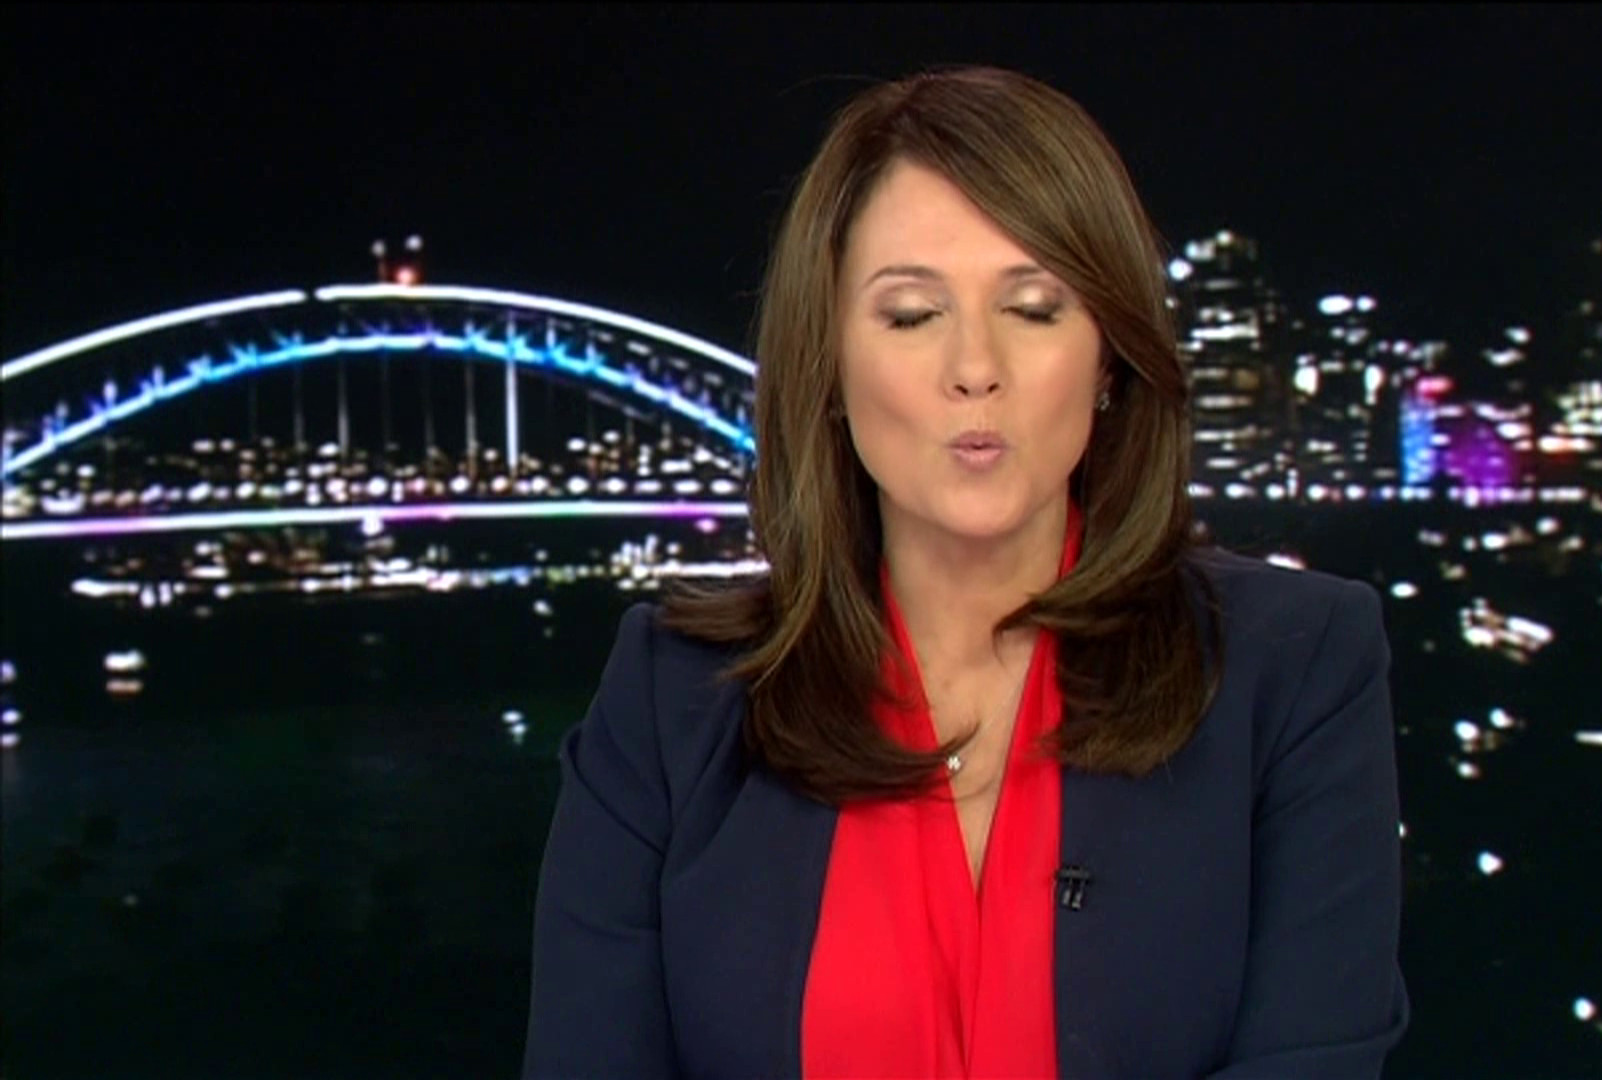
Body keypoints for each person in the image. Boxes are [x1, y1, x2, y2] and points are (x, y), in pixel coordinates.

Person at [523, 64, 1410, 1079]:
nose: (975, 368)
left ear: (1108, 359)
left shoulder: (1295, 666)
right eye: (911, 315)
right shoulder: (671, 698)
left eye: (1034, 308)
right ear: (829, 367)